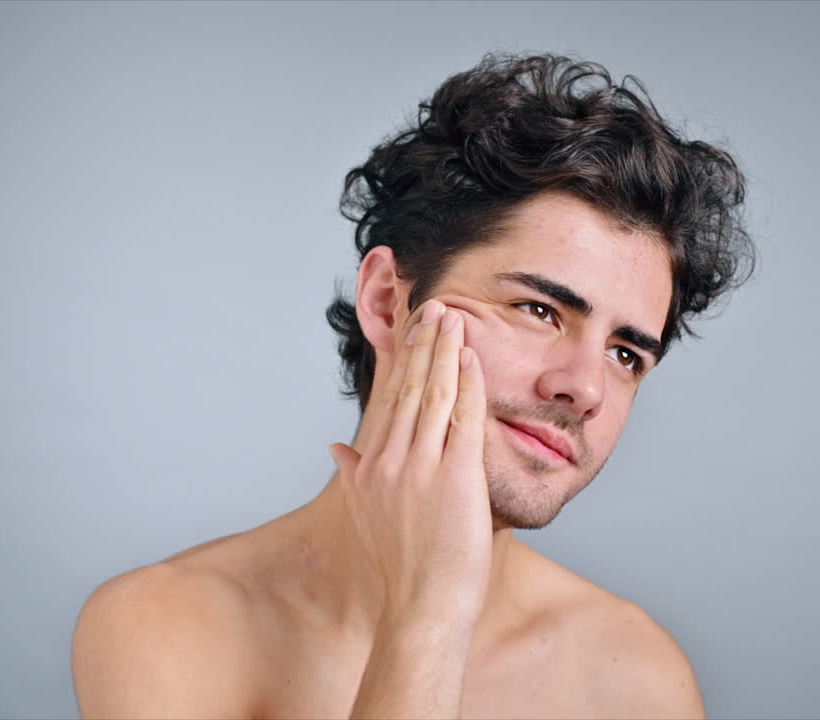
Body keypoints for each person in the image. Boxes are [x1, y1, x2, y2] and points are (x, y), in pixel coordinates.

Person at [71, 53, 753, 719]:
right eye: (538, 310)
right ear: (386, 302)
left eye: (626, 354)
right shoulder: (161, 627)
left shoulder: (638, 679)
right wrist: (430, 611)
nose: (586, 389)